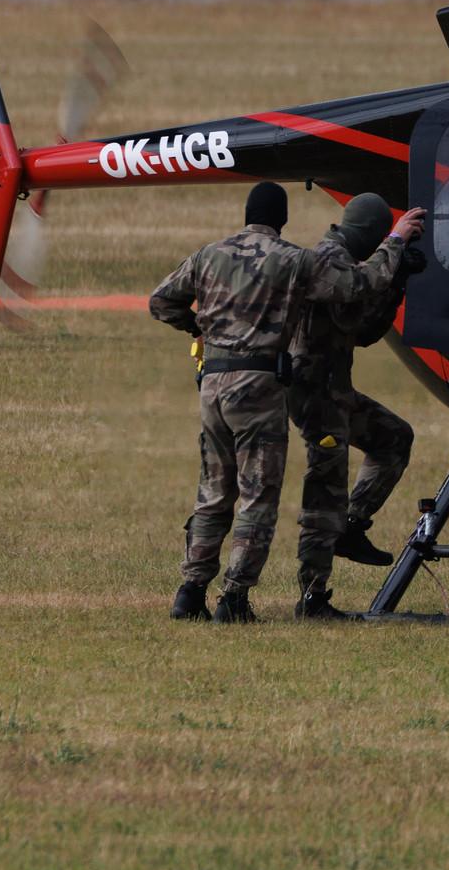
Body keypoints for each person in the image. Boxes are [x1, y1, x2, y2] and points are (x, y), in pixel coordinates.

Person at [150, 181, 424, 624]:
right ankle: (234, 599)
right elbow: (359, 285)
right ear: (282, 219)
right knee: (258, 496)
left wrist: (198, 329)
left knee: (214, 492)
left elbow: (161, 301)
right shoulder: (293, 260)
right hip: (259, 385)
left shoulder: (208, 254)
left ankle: (190, 592)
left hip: (213, 384)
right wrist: (394, 244)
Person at [286, 192, 424, 620]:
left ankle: (352, 526)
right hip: (314, 396)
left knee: (393, 438)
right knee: (325, 490)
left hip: (334, 392)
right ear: (371, 233)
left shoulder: (347, 261)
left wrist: (398, 282)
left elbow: (361, 328)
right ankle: (312, 597)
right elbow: (362, 285)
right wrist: (396, 244)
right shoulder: (328, 259)